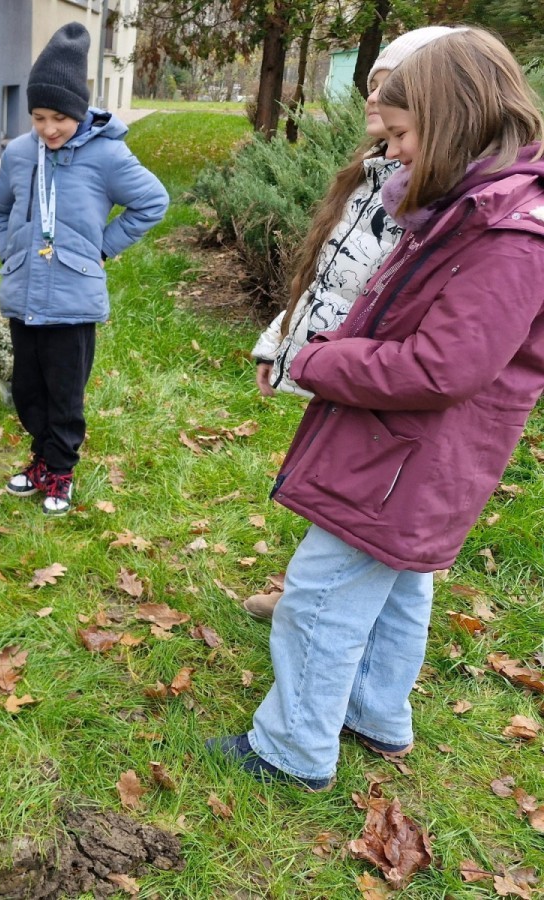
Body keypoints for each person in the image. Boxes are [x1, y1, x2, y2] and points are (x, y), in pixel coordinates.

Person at [209, 27, 544, 791]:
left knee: (320, 597)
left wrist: (319, 360)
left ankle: (292, 749)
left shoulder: (507, 234)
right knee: (396, 584)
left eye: (400, 134)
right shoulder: (472, 210)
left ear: (453, 119)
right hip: (409, 453)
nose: (389, 151)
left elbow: (440, 365)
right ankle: (375, 711)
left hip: (404, 458)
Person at [244, 26, 462, 620]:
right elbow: (331, 276)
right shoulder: (371, 173)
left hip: (372, 376)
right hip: (335, 360)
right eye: (371, 84)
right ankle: (321, 591)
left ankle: (320, 600)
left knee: (358, 505)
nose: (373, 95)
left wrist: (330, 360)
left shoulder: (430, 191)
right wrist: (279, 340)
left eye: (389, 85)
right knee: (335, 490)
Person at [0, 22, 169, 515]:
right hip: (24, 294)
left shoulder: (107, 155)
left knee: (64, 393)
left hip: (73, 299)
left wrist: (101, 249)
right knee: (28, 390)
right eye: (39, 117)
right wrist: (10, 252)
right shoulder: (19, 154)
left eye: (60, 118)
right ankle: (41, 461)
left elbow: (153, 202)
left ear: (80, 111)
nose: (49, 129)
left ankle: (61, 470)